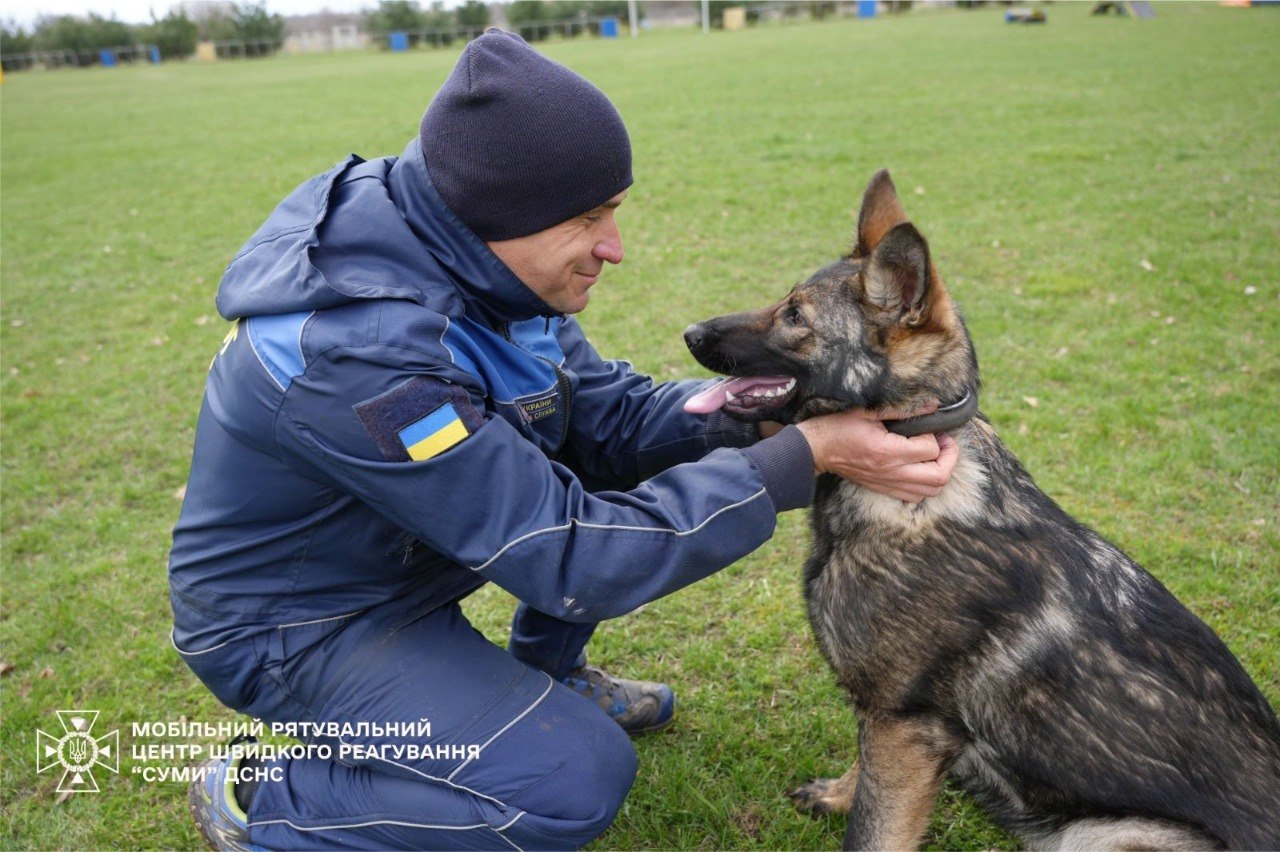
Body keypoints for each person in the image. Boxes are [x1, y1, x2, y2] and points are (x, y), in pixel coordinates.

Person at [171, 29, 958, 852]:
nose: (615, 248)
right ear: (495, 215)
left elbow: (603, 420)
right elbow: (566, 557)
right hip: (297, 629)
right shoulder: (367, 360)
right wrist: (802, 458)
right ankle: (268, 797)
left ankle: (544, 682)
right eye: (590, 218)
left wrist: (758, 411)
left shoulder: (475, 263)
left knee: (571, 468)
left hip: (398, 570)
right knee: (566, 784)